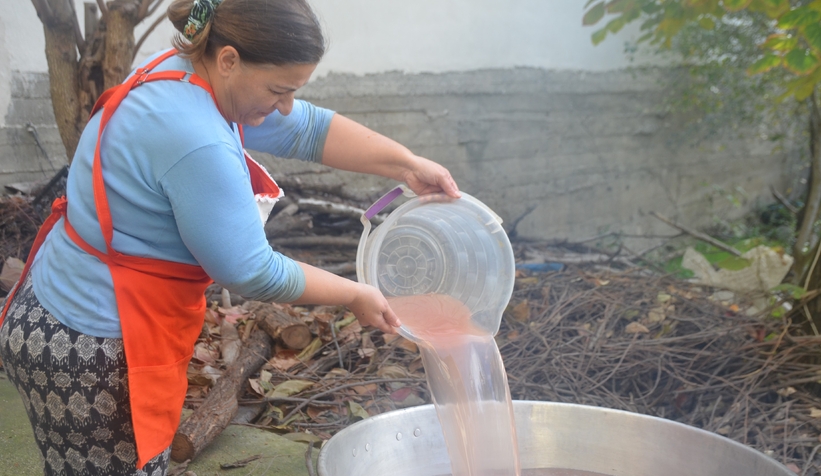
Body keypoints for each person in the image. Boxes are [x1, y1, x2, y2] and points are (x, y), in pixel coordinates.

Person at [0, 0, 460, 474]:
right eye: (278, 90)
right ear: (229, 60)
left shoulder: (179, 66)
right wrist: (355, 294)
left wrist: (407, 164)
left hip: (53, 296)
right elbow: (249, 269)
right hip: (85, 348)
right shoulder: (196, 138)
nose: (284, 105)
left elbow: (304, 127)